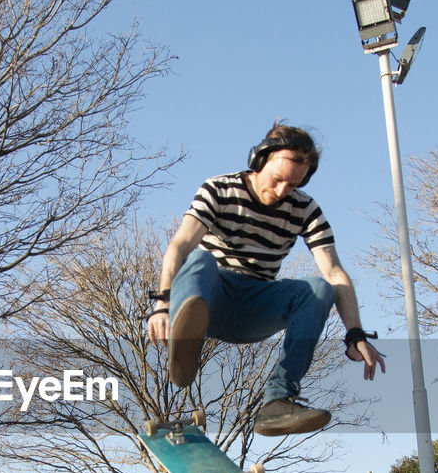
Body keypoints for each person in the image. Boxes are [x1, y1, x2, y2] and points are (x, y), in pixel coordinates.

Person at [148, 123, 385, 436]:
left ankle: (278, 401)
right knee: (200, 258)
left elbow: (334, 271)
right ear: (260, 160)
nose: (281, 191)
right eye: (277, 180)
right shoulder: (219, 189)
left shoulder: (305, 209)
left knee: (318, 288)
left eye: (292, 184)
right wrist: (163, 303)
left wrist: (355, 333)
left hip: (255, 305)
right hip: (210, 294)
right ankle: (186, 344)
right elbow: (180, 244)